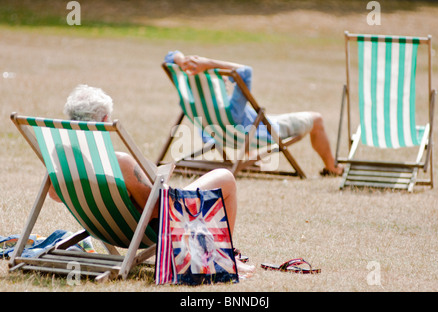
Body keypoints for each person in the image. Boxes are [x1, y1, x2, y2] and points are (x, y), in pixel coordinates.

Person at [48, 84, 255, 275]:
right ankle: (224, 257)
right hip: (146, 229)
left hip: (103, 228)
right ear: (105, 121)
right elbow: (157, 210)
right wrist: (158, 183)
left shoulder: (63, 159)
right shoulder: (119, 162)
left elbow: (55, 195)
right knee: (225, 178)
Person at [164, 51, 344, 176]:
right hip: (259, 132)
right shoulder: (232, 110)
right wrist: (210, 64)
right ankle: (332, 168)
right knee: (317, 119)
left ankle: (250, 158)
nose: (225, 81)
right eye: (223, 79)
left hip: (218, 135)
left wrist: (181, 61)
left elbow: (170, 56)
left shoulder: (194, 104)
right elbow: (244, 71)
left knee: (250, 122)